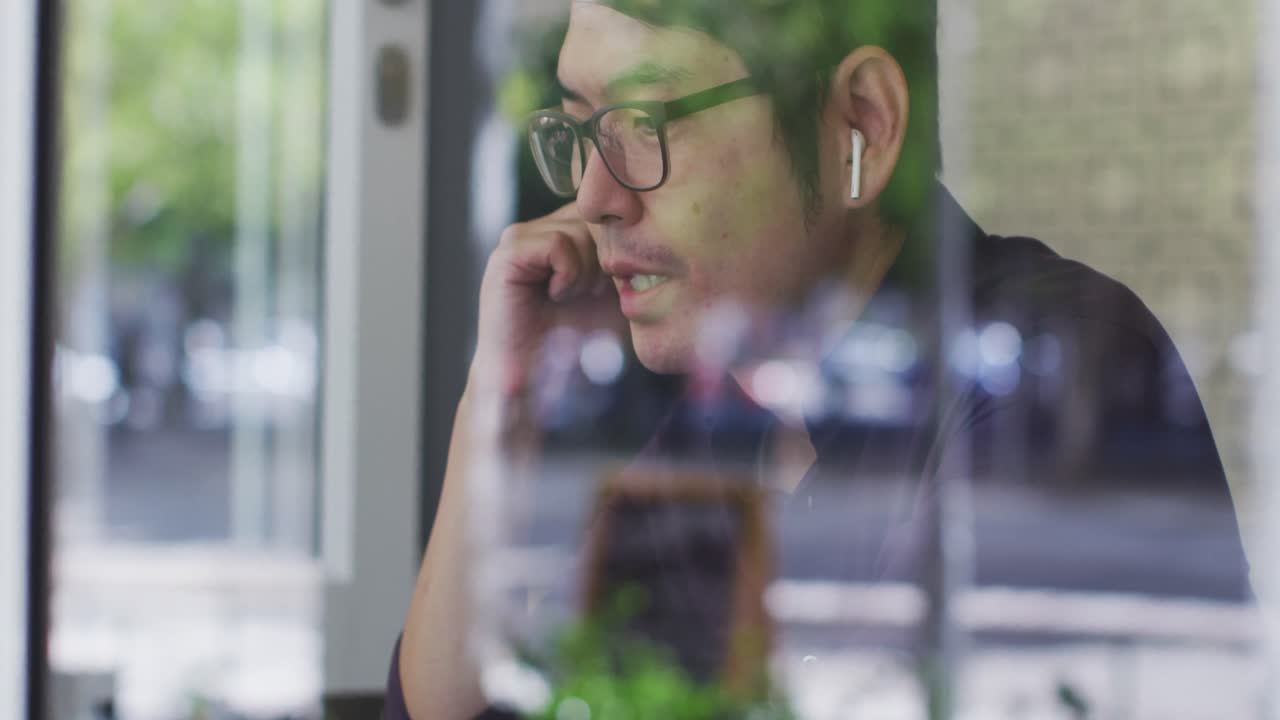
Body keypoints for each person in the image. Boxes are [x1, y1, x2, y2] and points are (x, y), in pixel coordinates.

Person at [385, 1, 1255, 717]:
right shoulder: (733, 383)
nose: (593, 199)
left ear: (863, 129)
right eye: (581, 133)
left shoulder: (1020, 364)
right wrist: (496, 401)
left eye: (642, 125)